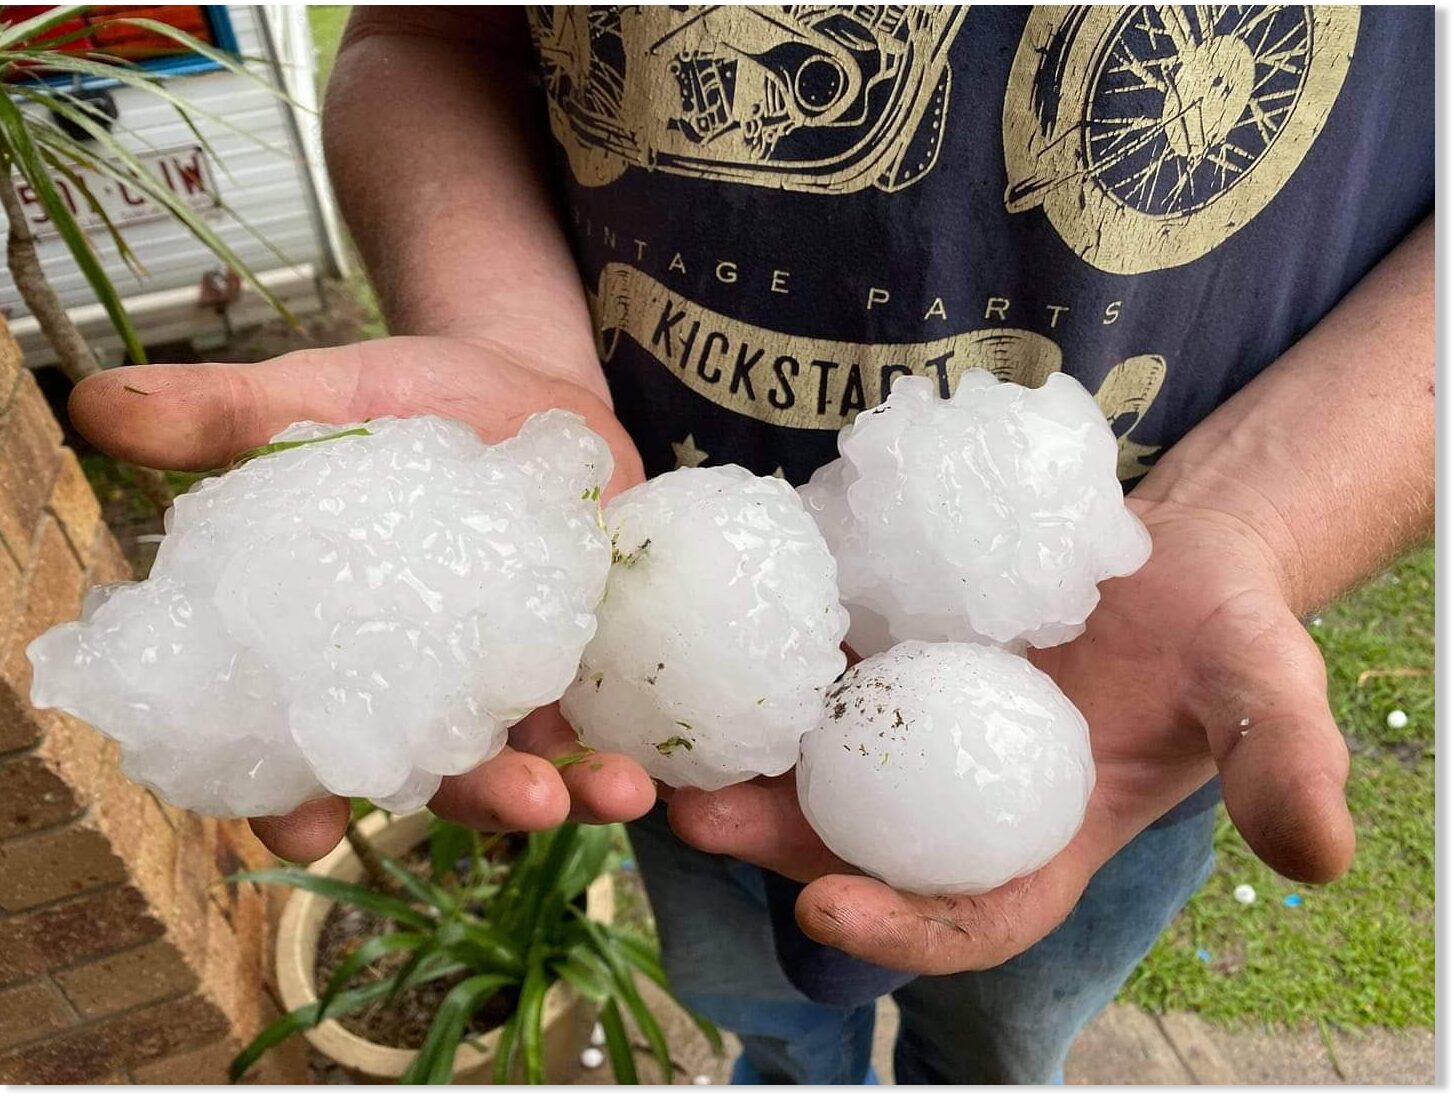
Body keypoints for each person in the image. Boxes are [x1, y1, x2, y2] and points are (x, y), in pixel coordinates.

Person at [69, 6, 1434, 1085]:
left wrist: (1256, 512)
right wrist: (504, 333)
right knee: (749, 997)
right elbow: (426, 35)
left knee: (1007, 1033)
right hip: (661, 726)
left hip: (1125, 703)